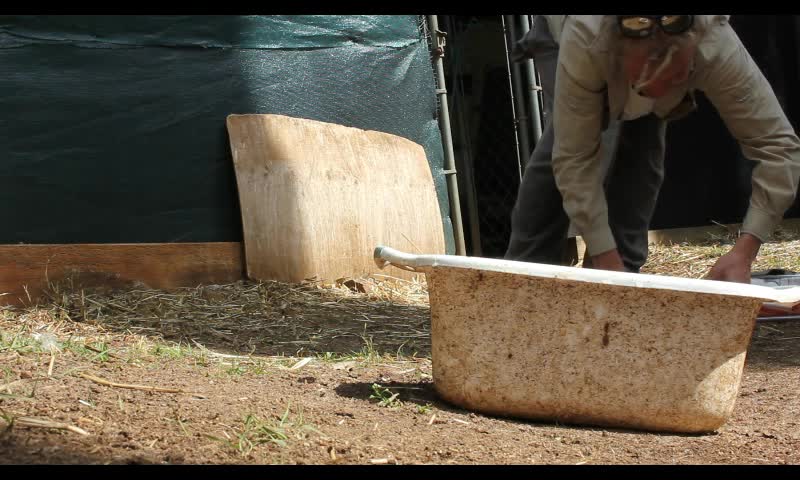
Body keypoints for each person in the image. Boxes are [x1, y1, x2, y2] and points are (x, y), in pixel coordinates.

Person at [505, 15, 800, 283]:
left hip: (648, 56)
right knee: (572, 150)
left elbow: (779, 147)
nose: (658, 90)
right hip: (571, 36)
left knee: (642, 155)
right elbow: (573, 159)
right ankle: (526, 279)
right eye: (644, 85)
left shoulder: (714, 41)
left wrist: (743, 253)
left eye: (673, 79)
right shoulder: (586, 38)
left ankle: (624, 275)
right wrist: (606, 257)